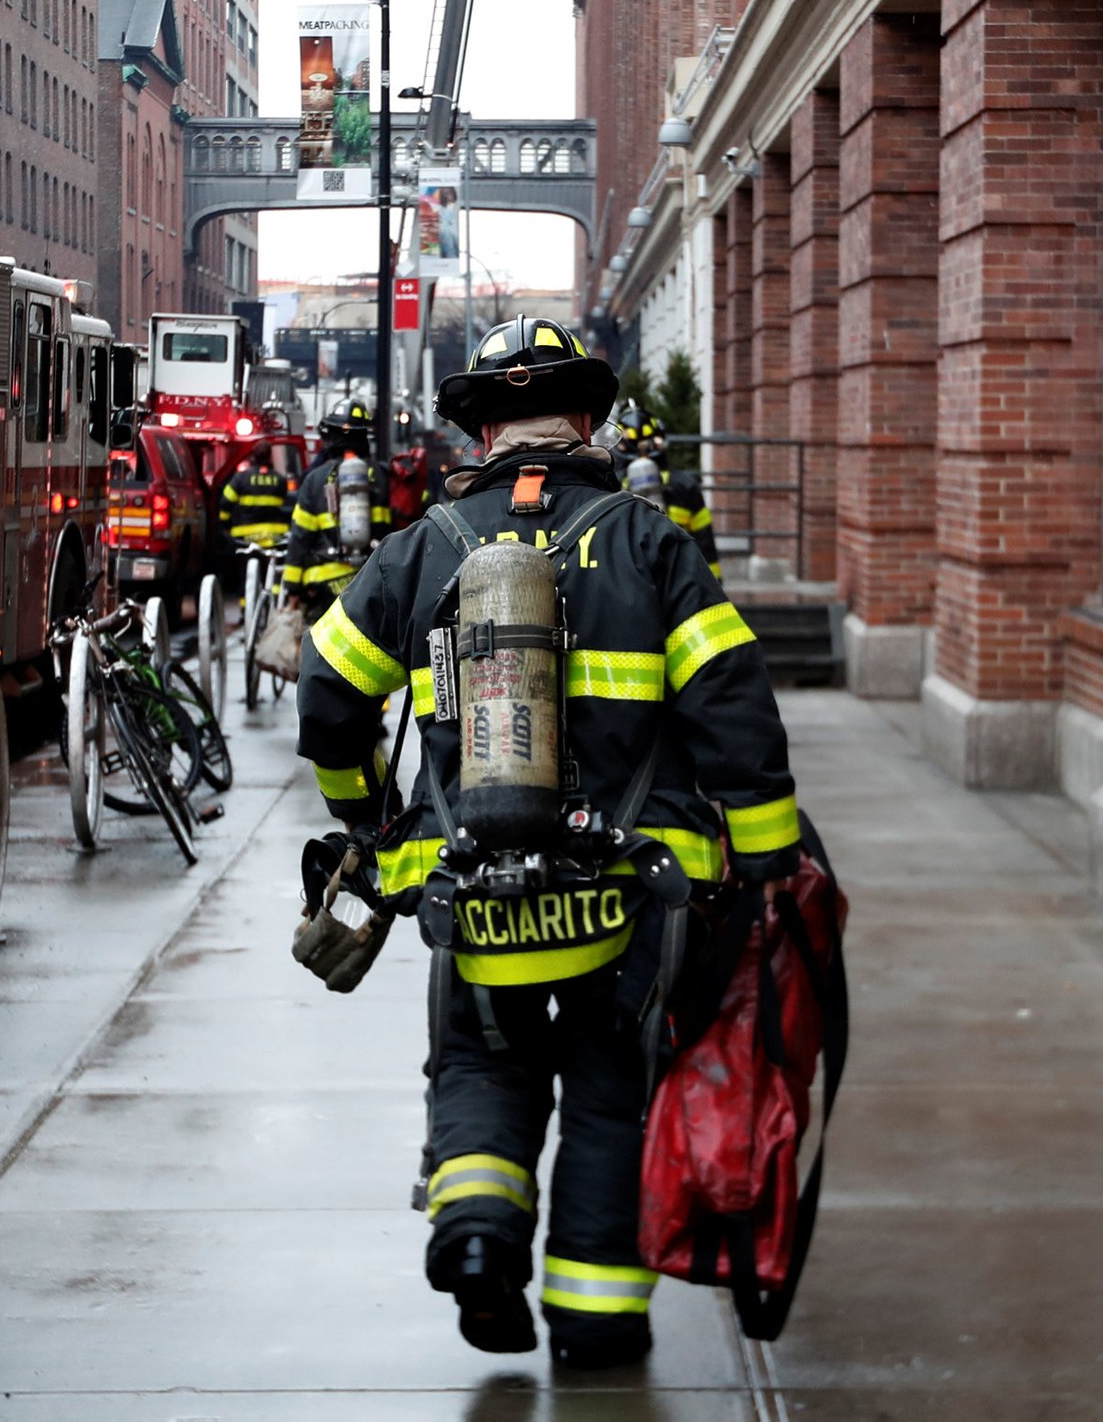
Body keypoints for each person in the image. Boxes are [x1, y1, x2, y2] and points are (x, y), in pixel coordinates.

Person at [293, 321, 799, 1368]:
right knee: (612, 1093)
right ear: (585, 420)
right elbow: (736, 713)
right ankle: (595, 1319)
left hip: (470, 885)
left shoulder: (421, 547)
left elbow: (327, 696)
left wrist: (361, 818)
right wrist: (765, 869)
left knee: (481, 1061)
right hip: (630, 893)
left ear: (480, 428)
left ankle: (478, 1239)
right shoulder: (648, 539)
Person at [281, 403, 390, 607]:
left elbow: (300, 538)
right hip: (371, 581)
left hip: (324, 585)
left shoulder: (315, 479)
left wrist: (292, 588)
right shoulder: (382, 476)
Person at [610, 396, 721, 583]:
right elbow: (704, 543)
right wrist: (714, 585)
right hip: (681, 577)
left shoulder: (611, 485)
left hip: (630, 580)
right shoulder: (685, 485)